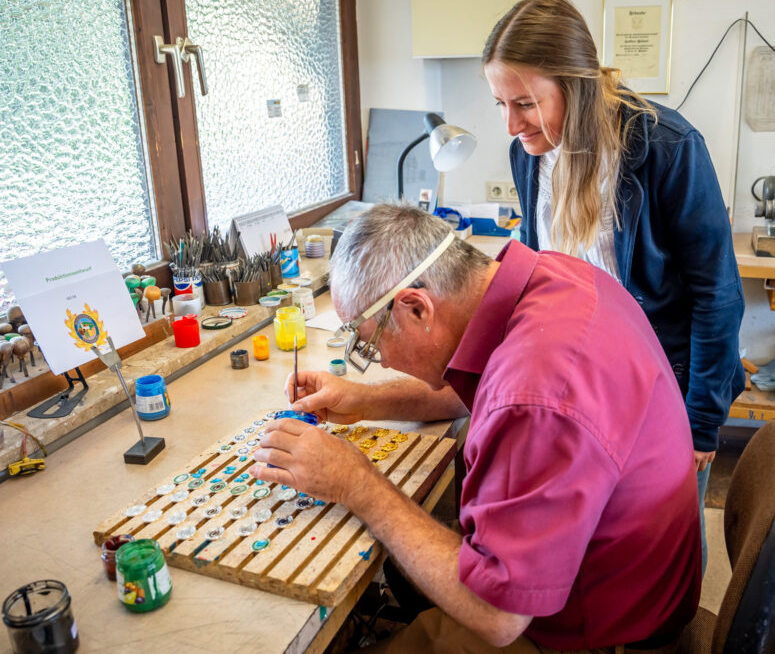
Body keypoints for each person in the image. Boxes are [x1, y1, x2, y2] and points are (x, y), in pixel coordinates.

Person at [253, 204, 700, 652]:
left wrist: (354, 482)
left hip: (597, 629)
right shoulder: (551, 282)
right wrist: (365, 398)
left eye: (369, 342)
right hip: (628, 576)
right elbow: (490, 380)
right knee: (404, 569)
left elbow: (497, 615)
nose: (380, 361)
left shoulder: (535, 394)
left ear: (416, 309)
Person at [482, 0, 745, 573]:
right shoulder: (528, 154)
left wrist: (702, 423)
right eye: (500, 103)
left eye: (525, 103)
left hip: (661, 383)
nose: (510, 123)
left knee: (661, 547)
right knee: (596, 540)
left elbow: (717, 296)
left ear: (573, 86)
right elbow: (540, 265)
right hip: (578, 381)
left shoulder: (668, 148)